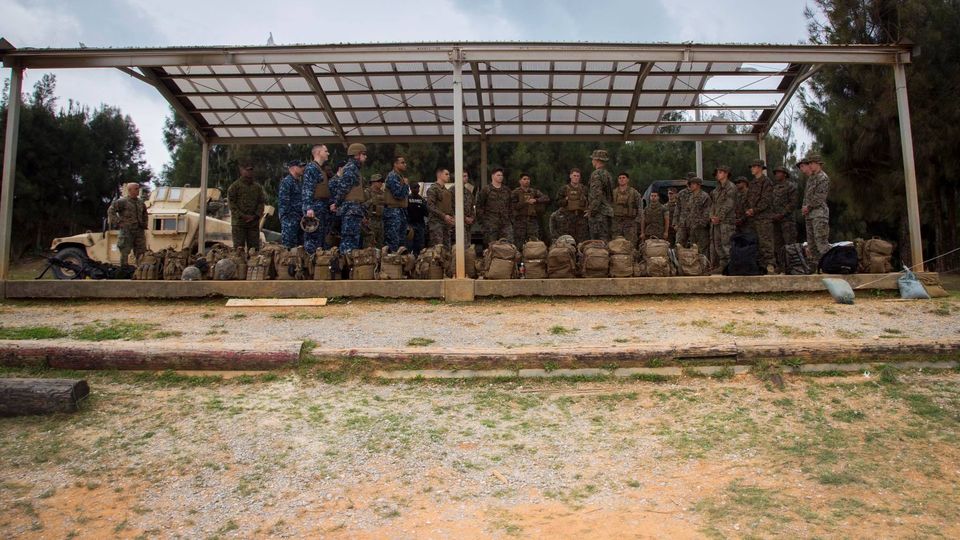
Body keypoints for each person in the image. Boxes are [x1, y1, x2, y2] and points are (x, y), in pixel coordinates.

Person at [331, 143, 368, 254]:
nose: (366, 157)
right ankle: (345, 267)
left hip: (354, 210)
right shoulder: (350, 169)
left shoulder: (354, 169)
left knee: (353, 240)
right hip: (350, 210)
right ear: (357, 155)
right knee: (348, 241)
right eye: (364, 154)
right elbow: (343, 188)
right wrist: (336, 204)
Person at [799, 153, 831, 262]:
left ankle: (829, 264)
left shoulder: (823, 178)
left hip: (819, 214)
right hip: (810, 215)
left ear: (818, 164)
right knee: (811, 243)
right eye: (809, 163)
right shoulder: (811, 179)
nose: (810, 166)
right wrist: (804, 207)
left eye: (812, 163)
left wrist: (808, 206)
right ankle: (817, 265)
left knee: (821, 241)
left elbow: (820, 197)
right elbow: (807, 195)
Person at [745, 159, 776, 274]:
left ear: (759, 168)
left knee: (766, 242)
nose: (752, 169)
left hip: (764, 218)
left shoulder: (766, 182)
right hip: (753, 218)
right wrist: (748, 210)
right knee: (755, 242)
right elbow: (748, 199)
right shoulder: (752, 183)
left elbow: (766, 200)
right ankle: (759, 266)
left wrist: (754, 210)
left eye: (754, 167)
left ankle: (770, 265)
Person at [301, 144, 333, 254]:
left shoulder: (320, 169)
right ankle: (309, 265)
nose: (328, 153)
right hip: (314, 209)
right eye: (326, 151)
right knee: (312, 239)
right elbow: (307, 189)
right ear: (319, 152)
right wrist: (309, 208)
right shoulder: (311, 168)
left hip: (322, 208)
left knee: (322, 239)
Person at [227, 160, 266, 251]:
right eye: (247, 170)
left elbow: (261, 202)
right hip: (239, 224)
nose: (249, 172)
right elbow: (231, 204)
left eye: (251, 170)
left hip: (253, 224)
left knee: (254, 250)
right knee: (238, 250)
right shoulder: (234, 187)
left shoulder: (257, 187)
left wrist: (255, 216)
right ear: (241, 171)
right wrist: (242, 216)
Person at [107, 182, 147, 266]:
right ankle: (124, 269)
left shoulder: (140, 202)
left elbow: (144, 213)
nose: (138, 190)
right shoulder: (122, 202)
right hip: (127, 230)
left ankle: (139, 270)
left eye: (138, 188)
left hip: (139, 230)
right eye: (136, 189)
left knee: (141, 251)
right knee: (125, 251)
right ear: (130, 190)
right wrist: (118, 222)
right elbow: (111, 211)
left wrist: (144, 224)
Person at [771, 165, 800, 273]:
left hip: (787, 220)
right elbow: (772, 203)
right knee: (778, 244)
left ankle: (792, 266)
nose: (777, 175)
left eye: (779, 172)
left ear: (785, 174)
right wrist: (773, 215)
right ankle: (781, 265)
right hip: (776, 221)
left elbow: (792, 203)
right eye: (776, 173)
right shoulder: (775, 188)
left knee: (790, 244)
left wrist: (782, 214)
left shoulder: (791, 186)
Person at [709, 165, 737, 273]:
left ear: (726, 173)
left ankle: (731, 266)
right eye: (717, 172)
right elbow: (713, 204)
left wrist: (719, 217)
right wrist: (712, 216)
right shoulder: (717, 189)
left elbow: (729, 204)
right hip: (716, 222)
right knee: (718, 244)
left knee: (727, 244)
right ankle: (723, 266)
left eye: (720, 172)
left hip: (727, 222)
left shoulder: (731, 187)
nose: (717, 174)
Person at [476, 168, 514, 246]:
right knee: (491, 246)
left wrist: (511, 219)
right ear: (492, 176)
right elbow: (479, 206)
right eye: (498, 175)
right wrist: (483, 221)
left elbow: (511, 205)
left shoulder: (507, 190)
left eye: (502, 175)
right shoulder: (486, 190)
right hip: (490, 224)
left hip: (505, 223)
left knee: (508, 245)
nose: (501, 177)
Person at [511, 173, 549, 243]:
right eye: (524, 179)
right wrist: (526, 202)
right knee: (519, 242)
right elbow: (514, 206)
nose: (527, 181)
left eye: (528, 179)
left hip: (532, 221)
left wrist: (536, 200)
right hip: (519, 221)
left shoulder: (534, 191)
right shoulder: (515, 192)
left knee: (534, 243)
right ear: (520, 181)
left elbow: (546, 198)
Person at [383, 157, 411, 253]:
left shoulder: (400, 177)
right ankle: (390, 264)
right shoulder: (392, 176)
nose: (405, 164)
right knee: (393, 240)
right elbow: (398, 195)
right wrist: (405, 185)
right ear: (395, 164)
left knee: (401, 240)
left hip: (400, 211)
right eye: (402, 162)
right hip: (393, 212)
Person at [586, 149, 614, 241]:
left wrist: (592, 210)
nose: (592, 161)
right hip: (607, 211)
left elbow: (596, 194)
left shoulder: (596, 174)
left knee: (597, 243)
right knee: (606, 240)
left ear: (597, 160)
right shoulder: (607, 174)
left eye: (593, 159)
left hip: (599, 214)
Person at [278, 159, 305, 249]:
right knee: (289, 248)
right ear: (293, 168)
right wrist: (287, 219)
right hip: (290, 220)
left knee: (300, 248)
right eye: (300, 166)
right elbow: (283, 202)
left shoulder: (299, 183)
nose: (303, 168)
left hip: (300, 219)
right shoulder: (287, 182)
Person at [679, 176, 711, 254]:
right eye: (690, 184)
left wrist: (702, 223)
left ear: (698, 185)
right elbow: (688, 211)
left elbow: (707, 211)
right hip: (692, 227)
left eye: (693, 184)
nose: (691, 186)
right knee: (693, 248)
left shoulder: (704, 196)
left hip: (701, 228)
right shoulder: (691, 197)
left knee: (703, 248)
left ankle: (703, 265)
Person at [556, 168, 588, 243]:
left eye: (578, 176)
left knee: (581, 241)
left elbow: (590, 201)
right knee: (568, 241)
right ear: (570, 176)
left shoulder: (584, 189)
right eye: (574, 176)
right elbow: (557, 202)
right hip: (568, 218)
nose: (576, 178)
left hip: (581, 218)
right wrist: (565, 200)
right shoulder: (564, 189)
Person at [426, 167, 455, 248]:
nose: (448, 176)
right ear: (439, 175)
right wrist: (444, 216)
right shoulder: (433, 189)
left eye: (449, 174)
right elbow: (430, 206)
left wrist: (452, 217)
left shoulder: (447, 191)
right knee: (438, 249)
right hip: (436, 223)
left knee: (447, 248)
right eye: (446, 174)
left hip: (446, 224)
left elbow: (449, 206)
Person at [611, 172, 641, 245]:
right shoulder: (613, 193)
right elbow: (609, 206)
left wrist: (637, 220)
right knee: (616, 245)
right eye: (620, 178)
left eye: (623, 178)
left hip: (630, 222)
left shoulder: (634, 192)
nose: (621, 179)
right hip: (616, 223)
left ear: (628, 180)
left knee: (630, 244)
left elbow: (640, 207)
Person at [363, 173, 385, 249]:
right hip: (370, 221)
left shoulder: (383, 193)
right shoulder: (367, 192)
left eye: (382, 181)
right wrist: (372, 201)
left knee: (380, 244)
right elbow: (362, 206)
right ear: (373, 182)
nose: (381, 183)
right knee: (369, 244)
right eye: (379, 181)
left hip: (380, 221)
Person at [406, 181, 428, 256]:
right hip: (410, 225)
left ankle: (417, 258)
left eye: (418, 188)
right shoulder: (407, 198)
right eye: (415, 188)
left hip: (420, 224)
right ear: (411, 189)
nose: (417, 189)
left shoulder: (421, 199)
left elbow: (426, 212)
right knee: (409, 244)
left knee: (420, 244)